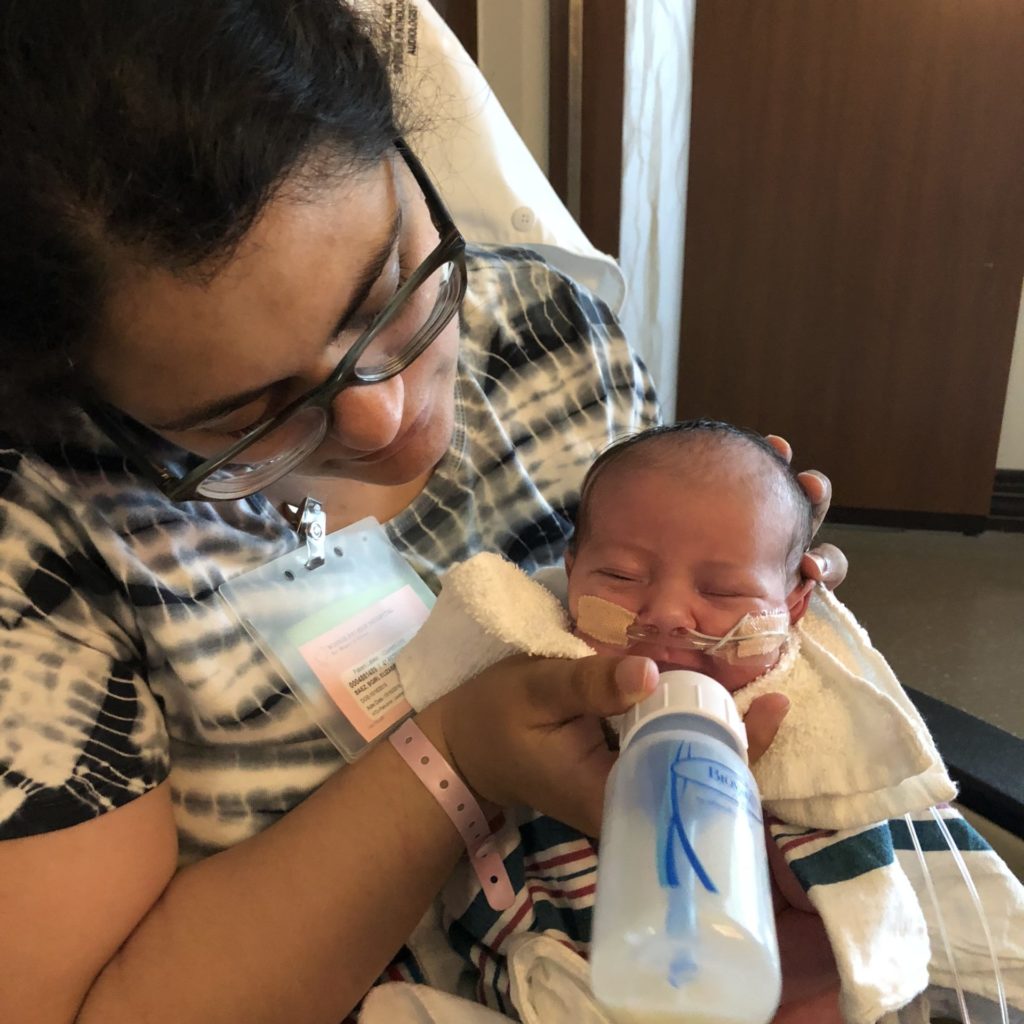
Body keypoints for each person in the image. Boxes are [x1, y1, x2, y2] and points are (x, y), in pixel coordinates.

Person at [0, 5, 845, 1024]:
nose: (385, 414)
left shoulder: (545, 329)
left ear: (406, 157)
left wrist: (749, 587)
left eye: (390, 286)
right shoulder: (44, 543)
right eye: (244, 417)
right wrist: (456, 759)